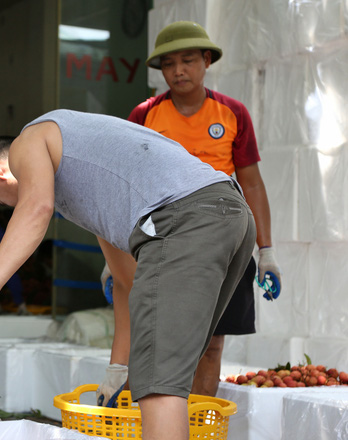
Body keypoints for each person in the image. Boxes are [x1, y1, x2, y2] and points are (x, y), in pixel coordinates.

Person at [0, 109, 256, 440]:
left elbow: (35, 209)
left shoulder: (27, 141)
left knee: (159, 386)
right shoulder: (95, 191)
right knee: (166, 375)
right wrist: (118, 369)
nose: (16, 206)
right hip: (230, 214)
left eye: (6, 202)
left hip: (185, 219)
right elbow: (127, 285)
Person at [109, 20, 280, 397]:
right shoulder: (145, 115)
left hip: (222, 235)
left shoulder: (232, 113)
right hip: (162, 237)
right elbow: (122, 184)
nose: (178, 71)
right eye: (169, 64)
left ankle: (198, 426)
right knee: (157, 338)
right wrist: (114, 255)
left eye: (188, 60)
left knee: (211, 343)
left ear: (206, 61)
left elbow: (251, 182)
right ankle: (156, 426)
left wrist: (265, 252)